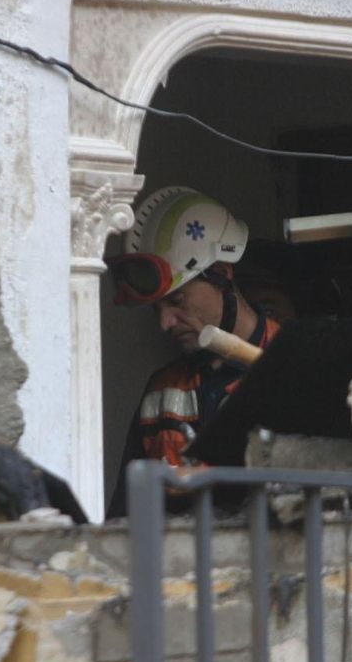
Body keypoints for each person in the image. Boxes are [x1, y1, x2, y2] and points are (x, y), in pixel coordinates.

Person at [104, 187, 280, 517]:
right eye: (156, 309)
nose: (165, 323)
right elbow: (125, 517)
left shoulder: (296, 365)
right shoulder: (162, 390)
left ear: (222, 274)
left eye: (177, 301)